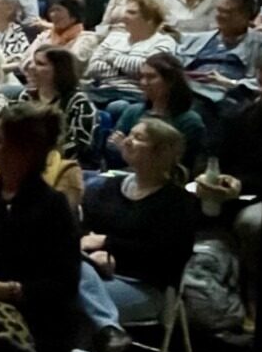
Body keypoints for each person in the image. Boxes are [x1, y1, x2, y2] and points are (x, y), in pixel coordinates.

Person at [0, 103, 88, 352]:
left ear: (24, 150)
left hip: (38, 318)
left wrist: (6, 290)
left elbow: (64, 284)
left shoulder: (53, 207)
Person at [78, 117, 199, 328]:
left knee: (65, 300)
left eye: (138, 138)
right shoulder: (108, 186)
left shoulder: (178, 202)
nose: (127, 141)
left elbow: (168, 256)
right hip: (91, 272)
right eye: (130, 135)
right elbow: (85, 231)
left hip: (143, 286)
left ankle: (105, 333)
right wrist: (93, 256)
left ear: (161, 152)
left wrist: (109, 246)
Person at [109, 53, 207, 170]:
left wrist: (127, 149)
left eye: (151, 77)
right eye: (142, 77)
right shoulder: (133, 111)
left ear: (170, 81)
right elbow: (111, 149)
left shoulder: (189, 121)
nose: (144, 82)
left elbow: (180, 165)